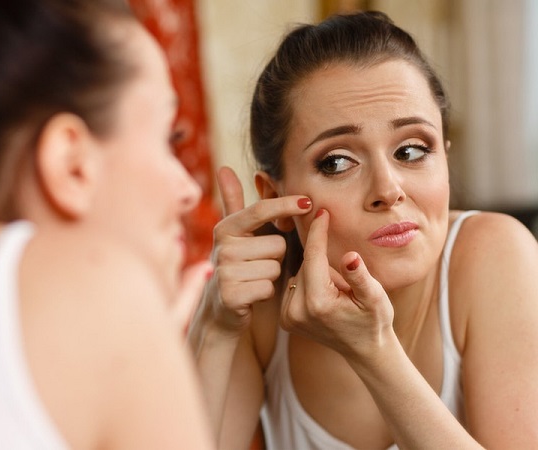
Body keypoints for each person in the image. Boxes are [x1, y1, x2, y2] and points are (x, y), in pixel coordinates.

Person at [190, 10, 538, 450]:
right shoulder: (257, 301)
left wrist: (374, 352)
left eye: (411, 150)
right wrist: (216, 327)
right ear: (275, 196)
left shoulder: (494, 255)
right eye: (337, 162)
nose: (388, 190)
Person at [0, 0, 215, 448]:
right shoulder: (100, 293)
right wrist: (138, 362)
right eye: (169, 139)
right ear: (72, 165)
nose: (188, 191)